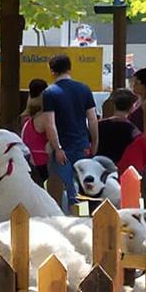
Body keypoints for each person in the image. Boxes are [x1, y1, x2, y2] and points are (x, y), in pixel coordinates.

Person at [36, 55, 97, 198]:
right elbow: (92, 119)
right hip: (82, 145)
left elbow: (50, 124)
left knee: (63, 188)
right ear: (69, 69)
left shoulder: (49, 93)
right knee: (84, 187)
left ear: (52, 71)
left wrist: (57, 148)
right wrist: (94, 142)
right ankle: (83, 215)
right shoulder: (84, 89)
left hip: (62, 146)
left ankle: (68, 214)